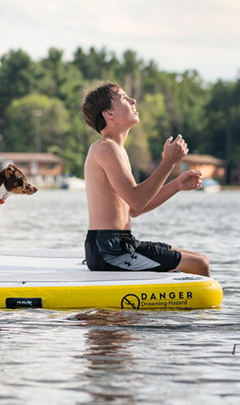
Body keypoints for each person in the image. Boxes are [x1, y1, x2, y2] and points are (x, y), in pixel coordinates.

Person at [81, 81, 210, 276]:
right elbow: (137, 200)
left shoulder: (116, 149)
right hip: (109, 250)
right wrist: (168, 163)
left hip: (120, 244)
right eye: (124, 98)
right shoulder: (105, 148)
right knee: (199, 264)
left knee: (200, 259)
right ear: (109, 113)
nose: (133, 100)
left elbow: (134, 209)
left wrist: (176, 185)